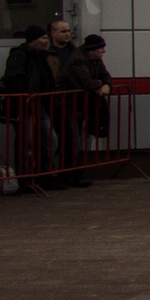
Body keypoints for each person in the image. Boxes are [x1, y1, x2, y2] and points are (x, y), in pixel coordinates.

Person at [0, 26, 60, 195]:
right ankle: (26, 178)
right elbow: (13, 77)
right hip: (26, 105)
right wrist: (25, 97)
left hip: (39, 104)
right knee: (27, 142)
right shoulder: (20, 55)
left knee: (49, 139)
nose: (46, 41)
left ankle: (45, 175)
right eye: (43, 38)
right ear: (33, 39)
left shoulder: (42, 56)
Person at [57, 33, 114, 188]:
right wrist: (101, 85)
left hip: (79, 106)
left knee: (75, 139)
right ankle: (71, 175)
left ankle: (74, 174)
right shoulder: (78, 60)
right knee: (72, 140)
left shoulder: (94, 59)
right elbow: (86, 82)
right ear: (91, 50)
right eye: (101, 48)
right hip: (67, 106)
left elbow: (106, 76)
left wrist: (107, 85)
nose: (103, 51)